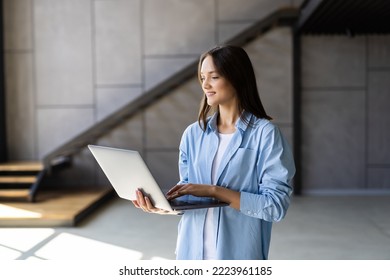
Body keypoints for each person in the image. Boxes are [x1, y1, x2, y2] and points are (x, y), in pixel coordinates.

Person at [132, 45, 295, 260]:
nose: (205, 85)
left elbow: (275, 206)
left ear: (236, 78)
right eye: (202, 77)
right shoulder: (193, 134)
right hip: (191, 255)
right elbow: (190, 196)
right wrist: (164, 206)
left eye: (214, 77)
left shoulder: (266, 134)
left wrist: (215, 191)